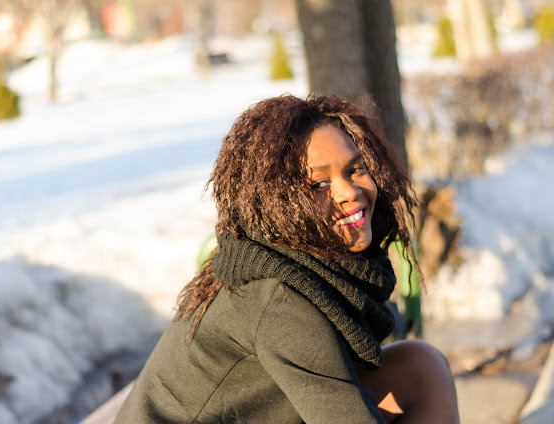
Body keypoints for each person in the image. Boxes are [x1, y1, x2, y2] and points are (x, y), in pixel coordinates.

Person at [113, 95, 459, 423]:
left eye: (355, 169)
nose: (349, 191)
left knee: (419, 369)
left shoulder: (299, 263)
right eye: (319, 184)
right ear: (278, 201)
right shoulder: (281, 301)